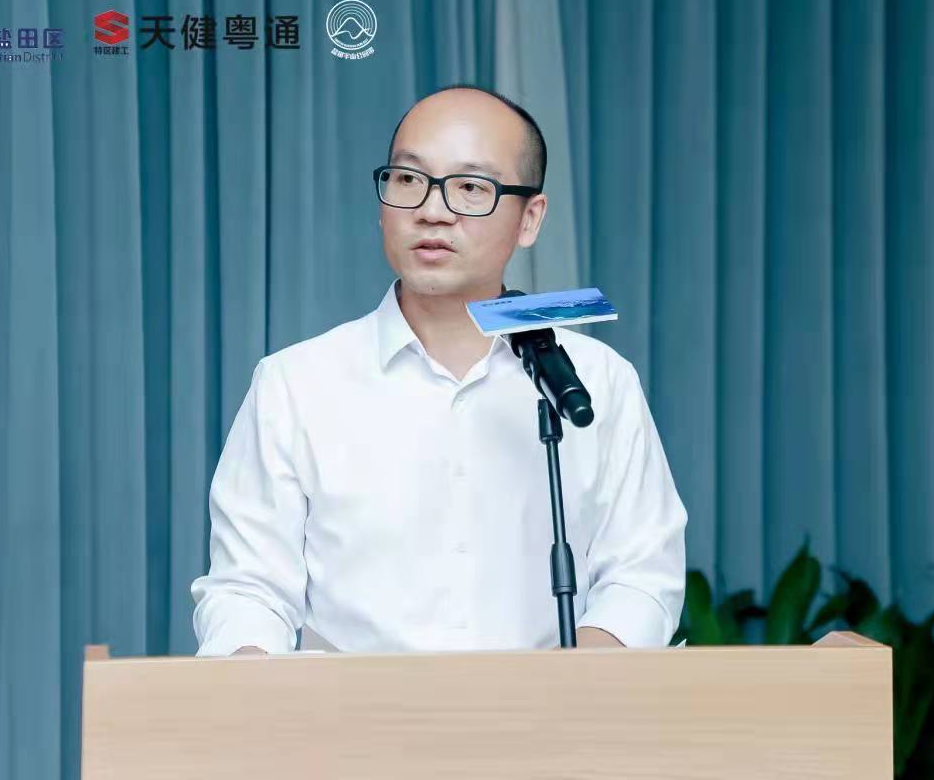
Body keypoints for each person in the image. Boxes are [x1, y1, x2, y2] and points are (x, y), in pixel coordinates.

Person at [190, 85, 686, 655]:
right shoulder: (295, 385)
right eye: (409, 179)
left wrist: (565, 686)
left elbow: (641, 574)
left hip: (548, 708)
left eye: (471, 187)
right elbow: (248, 590)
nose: (433, 210)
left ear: (529, 219)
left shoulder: (597, 381)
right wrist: (250, 666)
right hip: (353, 711)